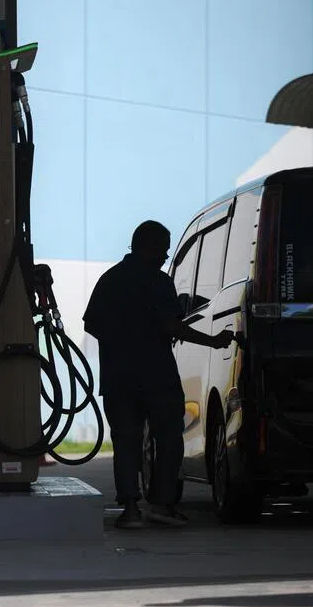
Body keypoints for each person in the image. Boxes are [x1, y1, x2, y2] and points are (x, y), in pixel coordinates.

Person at [83, 220, 235, 529]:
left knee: (126, 442)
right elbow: (171, 327)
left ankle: (130, 511)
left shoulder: (109, 279)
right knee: (168, 439)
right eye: (162, 249)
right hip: (157, 377)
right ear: (146, 245)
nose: (165, 256)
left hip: (118, 379)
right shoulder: (158, 281)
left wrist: (121, 339)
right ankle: (163, 504)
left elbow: (91, 325)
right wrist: (214, 341)